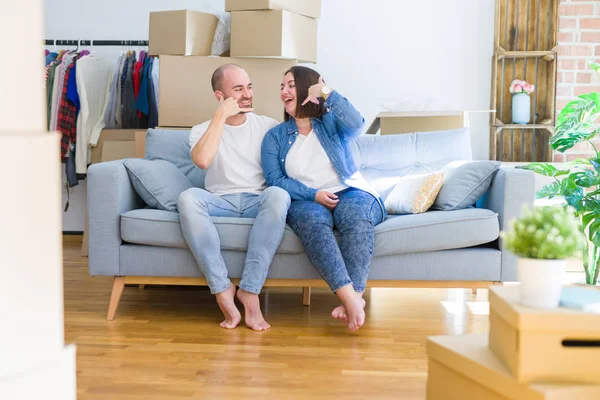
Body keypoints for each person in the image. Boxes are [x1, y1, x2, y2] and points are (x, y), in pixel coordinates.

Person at [261, 66, 386, 332]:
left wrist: (327, 93)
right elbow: (275, 180)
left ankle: (355, 297)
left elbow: (357, 123)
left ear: (307, 88)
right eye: (282, 87)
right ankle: (351, 299)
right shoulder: (274, 137)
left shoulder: (330, 123)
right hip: (305, 200)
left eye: (291, 85)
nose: (284, 91)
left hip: (349, 190)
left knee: (354, 215)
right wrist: (312, 194)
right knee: (313, 223)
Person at [178, 64, 291, 331]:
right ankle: (222, 288)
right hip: (219, 202)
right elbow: (203, 160)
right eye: (238, 89)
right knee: (187, 199)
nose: (247, 94)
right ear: (220, 96)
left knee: (278, 195)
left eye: (249, 87)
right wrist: (220, 118)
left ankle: (249, 291)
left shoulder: (268, 126)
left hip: (257, 201)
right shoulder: (201, 130)